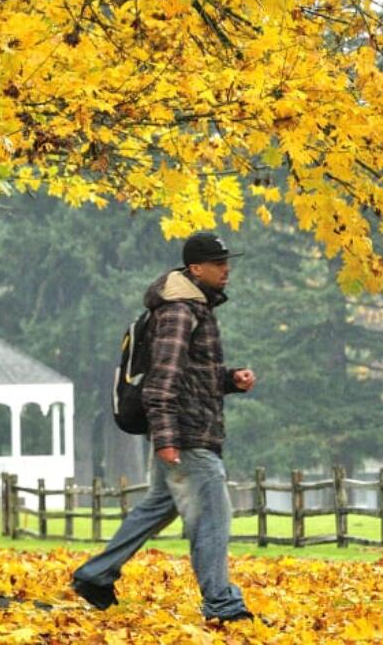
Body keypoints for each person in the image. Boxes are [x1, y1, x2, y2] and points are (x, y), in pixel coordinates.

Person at [71, 232, 257, 624]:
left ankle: (95, 575)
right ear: (195, 268)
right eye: (218, 263)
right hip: (188, 436)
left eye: (227, 261)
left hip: (186, 429)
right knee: (211, 519)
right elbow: (161, 383)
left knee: (157, 507)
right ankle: (223, 605)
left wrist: (228, 379)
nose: (227, 269)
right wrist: (167, 441)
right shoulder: (178, 311)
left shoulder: (190, 308)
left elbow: (189, 375)